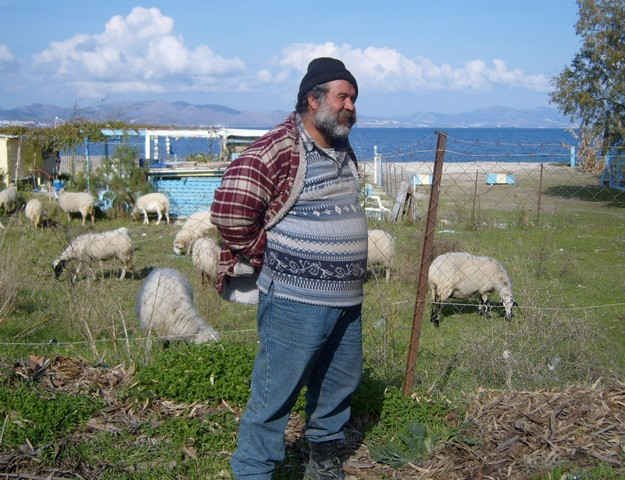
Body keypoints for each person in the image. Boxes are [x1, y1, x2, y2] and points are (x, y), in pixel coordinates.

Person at [210, 57, 366, 479]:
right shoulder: (278, 147)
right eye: (342, 97)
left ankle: (324, 466)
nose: (350, 105)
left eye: (353, 98)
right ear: (312, 100)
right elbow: (228, 210)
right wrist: (264, 254)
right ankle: (253, 471)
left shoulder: (340, 147)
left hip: (346, 302)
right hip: (295, 302)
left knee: (337, 389)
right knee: (273, 395)